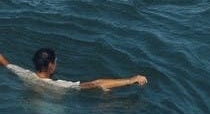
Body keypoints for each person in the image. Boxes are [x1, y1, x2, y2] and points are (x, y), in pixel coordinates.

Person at [0, 47, 147, 92]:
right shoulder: (59, 85)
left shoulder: (24, 75)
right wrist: (131, 80)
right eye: (56, 61)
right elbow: (96, 83)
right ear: (51, 65)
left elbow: (5, 63)